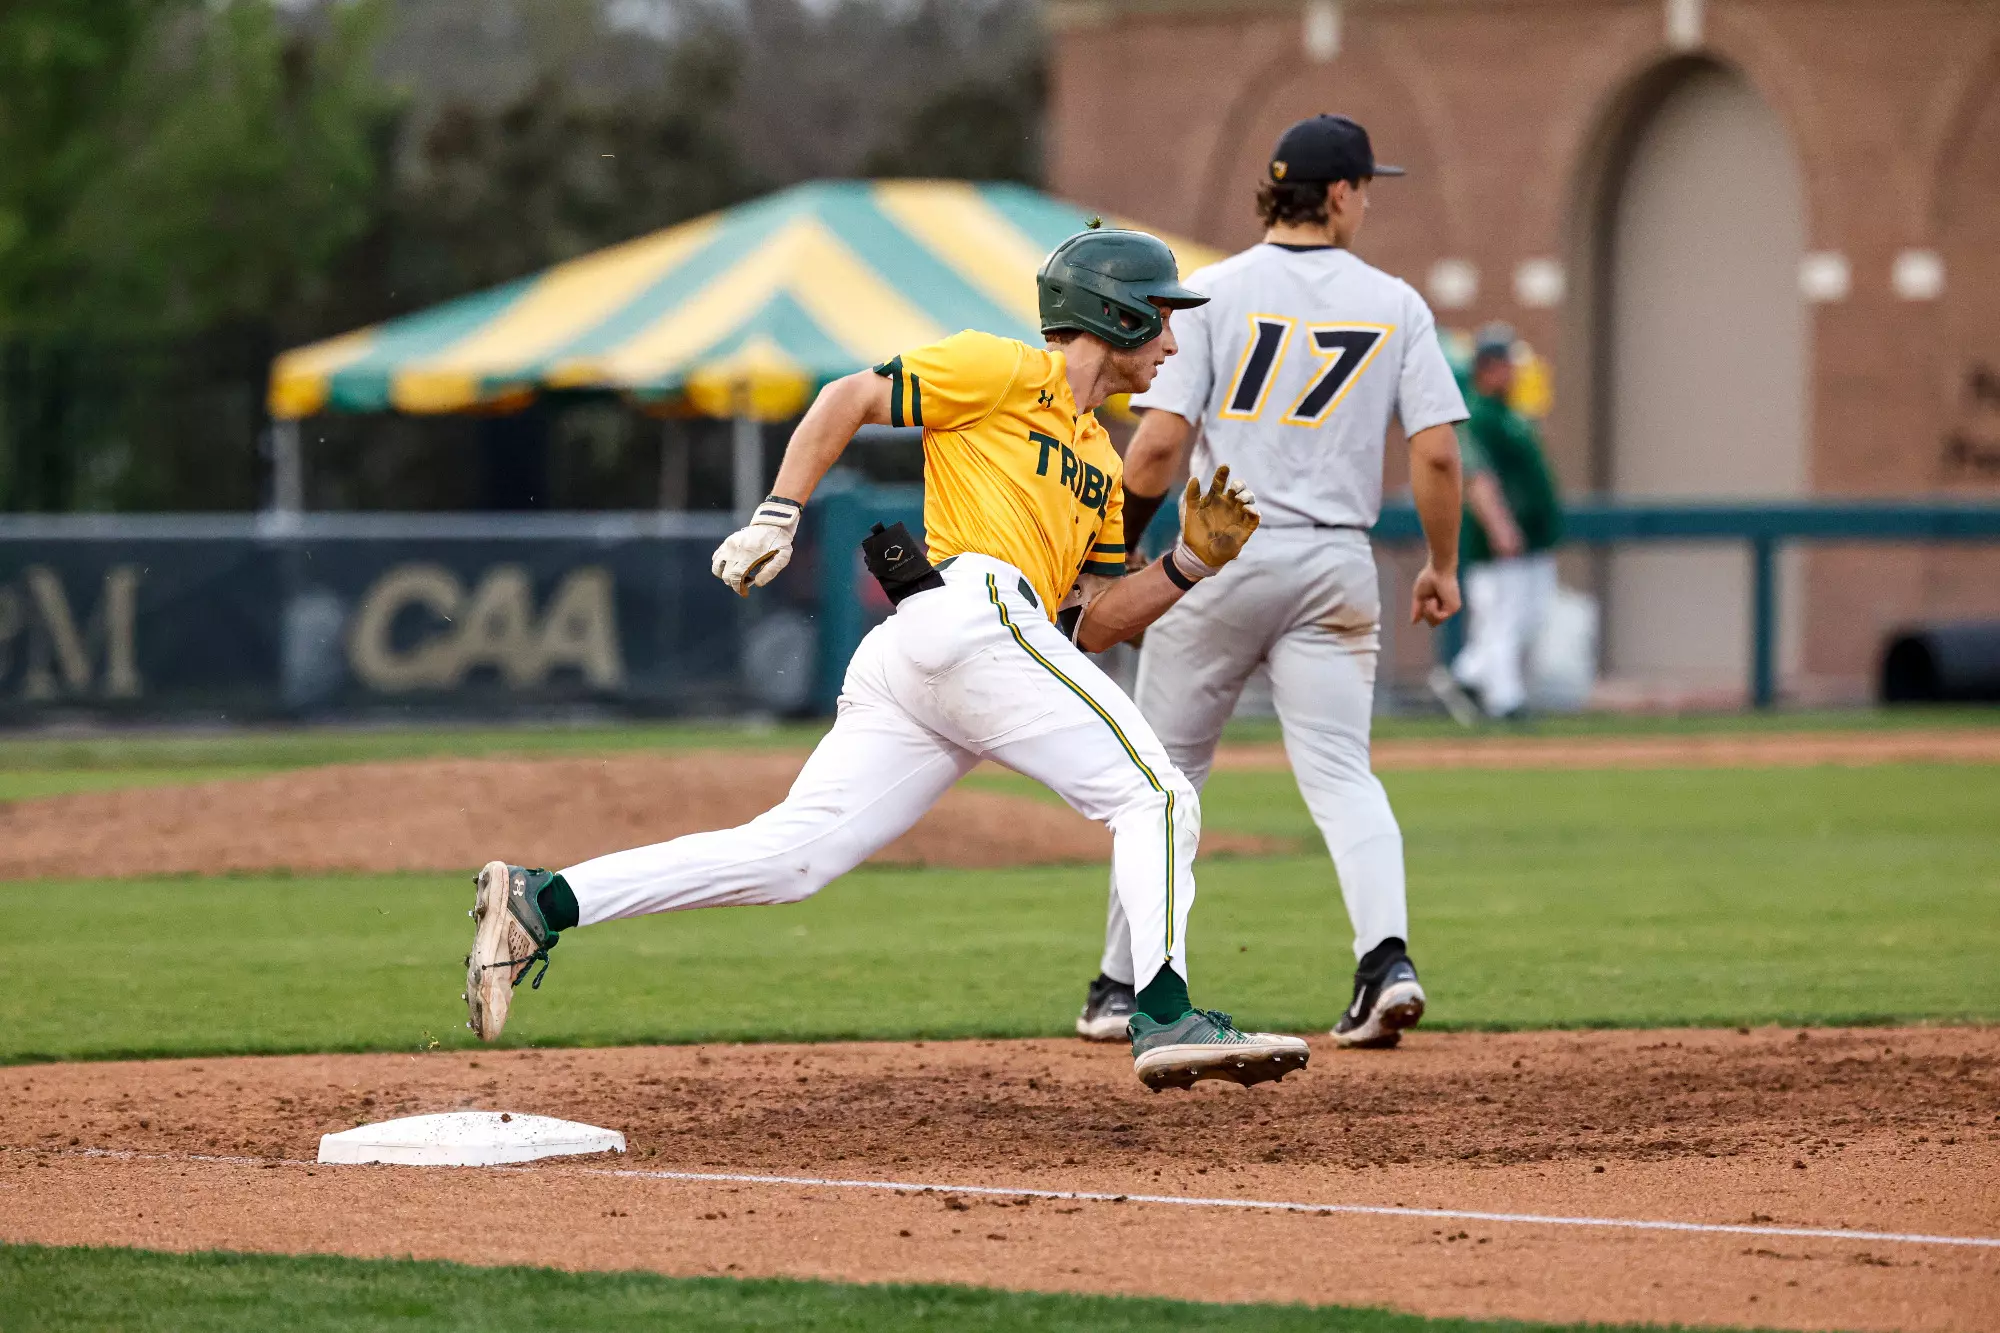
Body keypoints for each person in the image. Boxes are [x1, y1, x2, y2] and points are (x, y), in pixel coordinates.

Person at [463, 227, 1311, 1091]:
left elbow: (1091, 624)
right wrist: (779, 515)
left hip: (963, 649)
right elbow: (849, 397)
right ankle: (1164, 1010)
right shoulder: (1003, 368)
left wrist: (1190, 564)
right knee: (1161, 795)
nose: (1172, 341)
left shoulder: (1101, 455)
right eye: (1161, 318)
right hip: (970, 615)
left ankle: (544, 900)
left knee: (790, 858)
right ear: (1115, 313)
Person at [1075, 115, 1467, 1050]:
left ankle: (1122, 987)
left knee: (1162, 776)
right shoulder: (1396, 302)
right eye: (1366, 186)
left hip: (1217, 548)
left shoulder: (1210, 290)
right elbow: (1440, 457)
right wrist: (1442, 566)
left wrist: (1116, 558)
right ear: (1338, 196)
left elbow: (1161, 445)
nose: (1367, 201)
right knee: (1341, 774)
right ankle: (1386, 962)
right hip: (1335, 560)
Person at [1429, 323, 1565, 724]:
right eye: (1508, 363)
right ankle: (1505, 702)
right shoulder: (1478, 413)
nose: (1515, 371)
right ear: (1488, 367)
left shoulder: (1507, 412)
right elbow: (1478, 478)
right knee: (1503, 618)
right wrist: (1500, 525)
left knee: (1527, 617)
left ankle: (1466, 676)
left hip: (1532, 534)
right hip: (1497, 539)